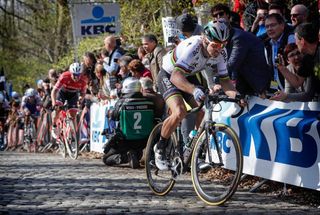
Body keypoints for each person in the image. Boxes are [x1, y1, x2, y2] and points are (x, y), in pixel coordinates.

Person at [154, 19, 239, 170]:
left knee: (203, 112)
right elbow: (175, 77)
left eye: (223, 44)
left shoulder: (221, 52)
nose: (219, 49)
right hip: (169, 74)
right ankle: (160, 148)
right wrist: (194, 90)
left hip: (187, 74)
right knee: (180, 111)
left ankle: (194, 153)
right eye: (215, 45)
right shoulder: (194, 46)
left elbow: (225, 81)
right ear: (205, 40)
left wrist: (237, 97)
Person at [102, 77, 155, 169]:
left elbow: (114, 116)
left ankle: (125, 157)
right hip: (144, 141)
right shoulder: (149, 103)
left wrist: (109, 112)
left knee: (106, 159)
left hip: (125, 140)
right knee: (136, 154)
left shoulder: (122, 103)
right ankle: (135, 155)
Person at [275, 23, 319, 101]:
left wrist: (286, 96)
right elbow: (297, 82)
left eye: (296, 40)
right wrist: (282, 68)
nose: (295, 43)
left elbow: (308, 95)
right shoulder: (307, 59)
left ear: (302, 41)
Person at [51, 62, 88, 139]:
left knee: (73, 114)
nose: (76, 78)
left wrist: (81, 99)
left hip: (73, 94)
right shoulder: (64, 76)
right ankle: (54, 126)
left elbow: (83, 93)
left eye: (78, 75)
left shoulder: (83, 80)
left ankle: (73, 135)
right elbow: (54, 91)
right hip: (62, 93)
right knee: (57, 108)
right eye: (74, 75)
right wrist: (54, 103)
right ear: (71, 73)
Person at [264, 13, 295, 92]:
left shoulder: (291, 39)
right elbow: (272, 71)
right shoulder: (267, 44)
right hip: (276, 89)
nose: (269, 29)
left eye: (273, 25)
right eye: (267, 26)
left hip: (293, 91)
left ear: (282, 25)